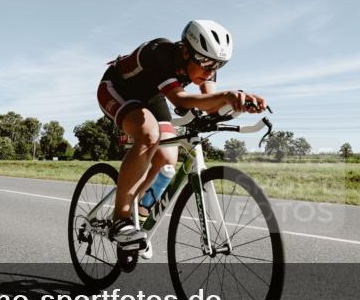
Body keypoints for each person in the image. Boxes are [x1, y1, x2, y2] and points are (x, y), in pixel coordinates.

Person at [96, 20, 267, 246]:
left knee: (168, 158)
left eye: (218, 65)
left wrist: (240, 103)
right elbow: (181, 100)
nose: (210, 71)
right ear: (186, 50)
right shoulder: (159, 53)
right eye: (206, 63)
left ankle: (138, 204)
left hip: (152, 97)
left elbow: (210, 103)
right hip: (117, 89)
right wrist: (227, 96)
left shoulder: (206, 67)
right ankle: (121, 219)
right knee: (148, 134)